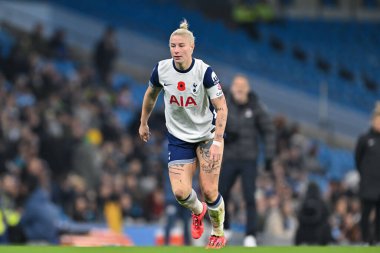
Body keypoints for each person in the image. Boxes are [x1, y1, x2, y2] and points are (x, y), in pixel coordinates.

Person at [139, 19, 228, 249]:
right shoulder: (161, 70)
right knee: (180, 193)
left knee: (209, 190)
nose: (176, 50)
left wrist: (218, 140)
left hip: (207, 136)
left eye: (180, 46)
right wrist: (143, 122)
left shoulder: (204, 72)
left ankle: (218, 232)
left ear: (191, 48)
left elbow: (222, 107)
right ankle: (198, 210)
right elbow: (150, 95)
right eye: (172, 46)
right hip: (179, 138)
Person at [219, 74, 275, 246]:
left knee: (249, 196)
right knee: (221, 193)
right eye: (237, 87)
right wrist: (227, 134)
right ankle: (224, 229)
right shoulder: (224, 104)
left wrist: (269, 156)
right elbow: (212, 125)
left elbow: (269, 130)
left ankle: (250, 234)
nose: (240, 90)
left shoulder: (256, 106)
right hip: (229, 157)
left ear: (248, 89)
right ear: (233, 88)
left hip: (248, 159)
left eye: (243, 87)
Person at [355, 101, 380, 244]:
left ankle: (377, 240)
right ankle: (365, 239)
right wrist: (365, 175)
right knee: (366, 213)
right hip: (368, 184)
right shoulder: (364, 139)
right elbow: (358, 159)